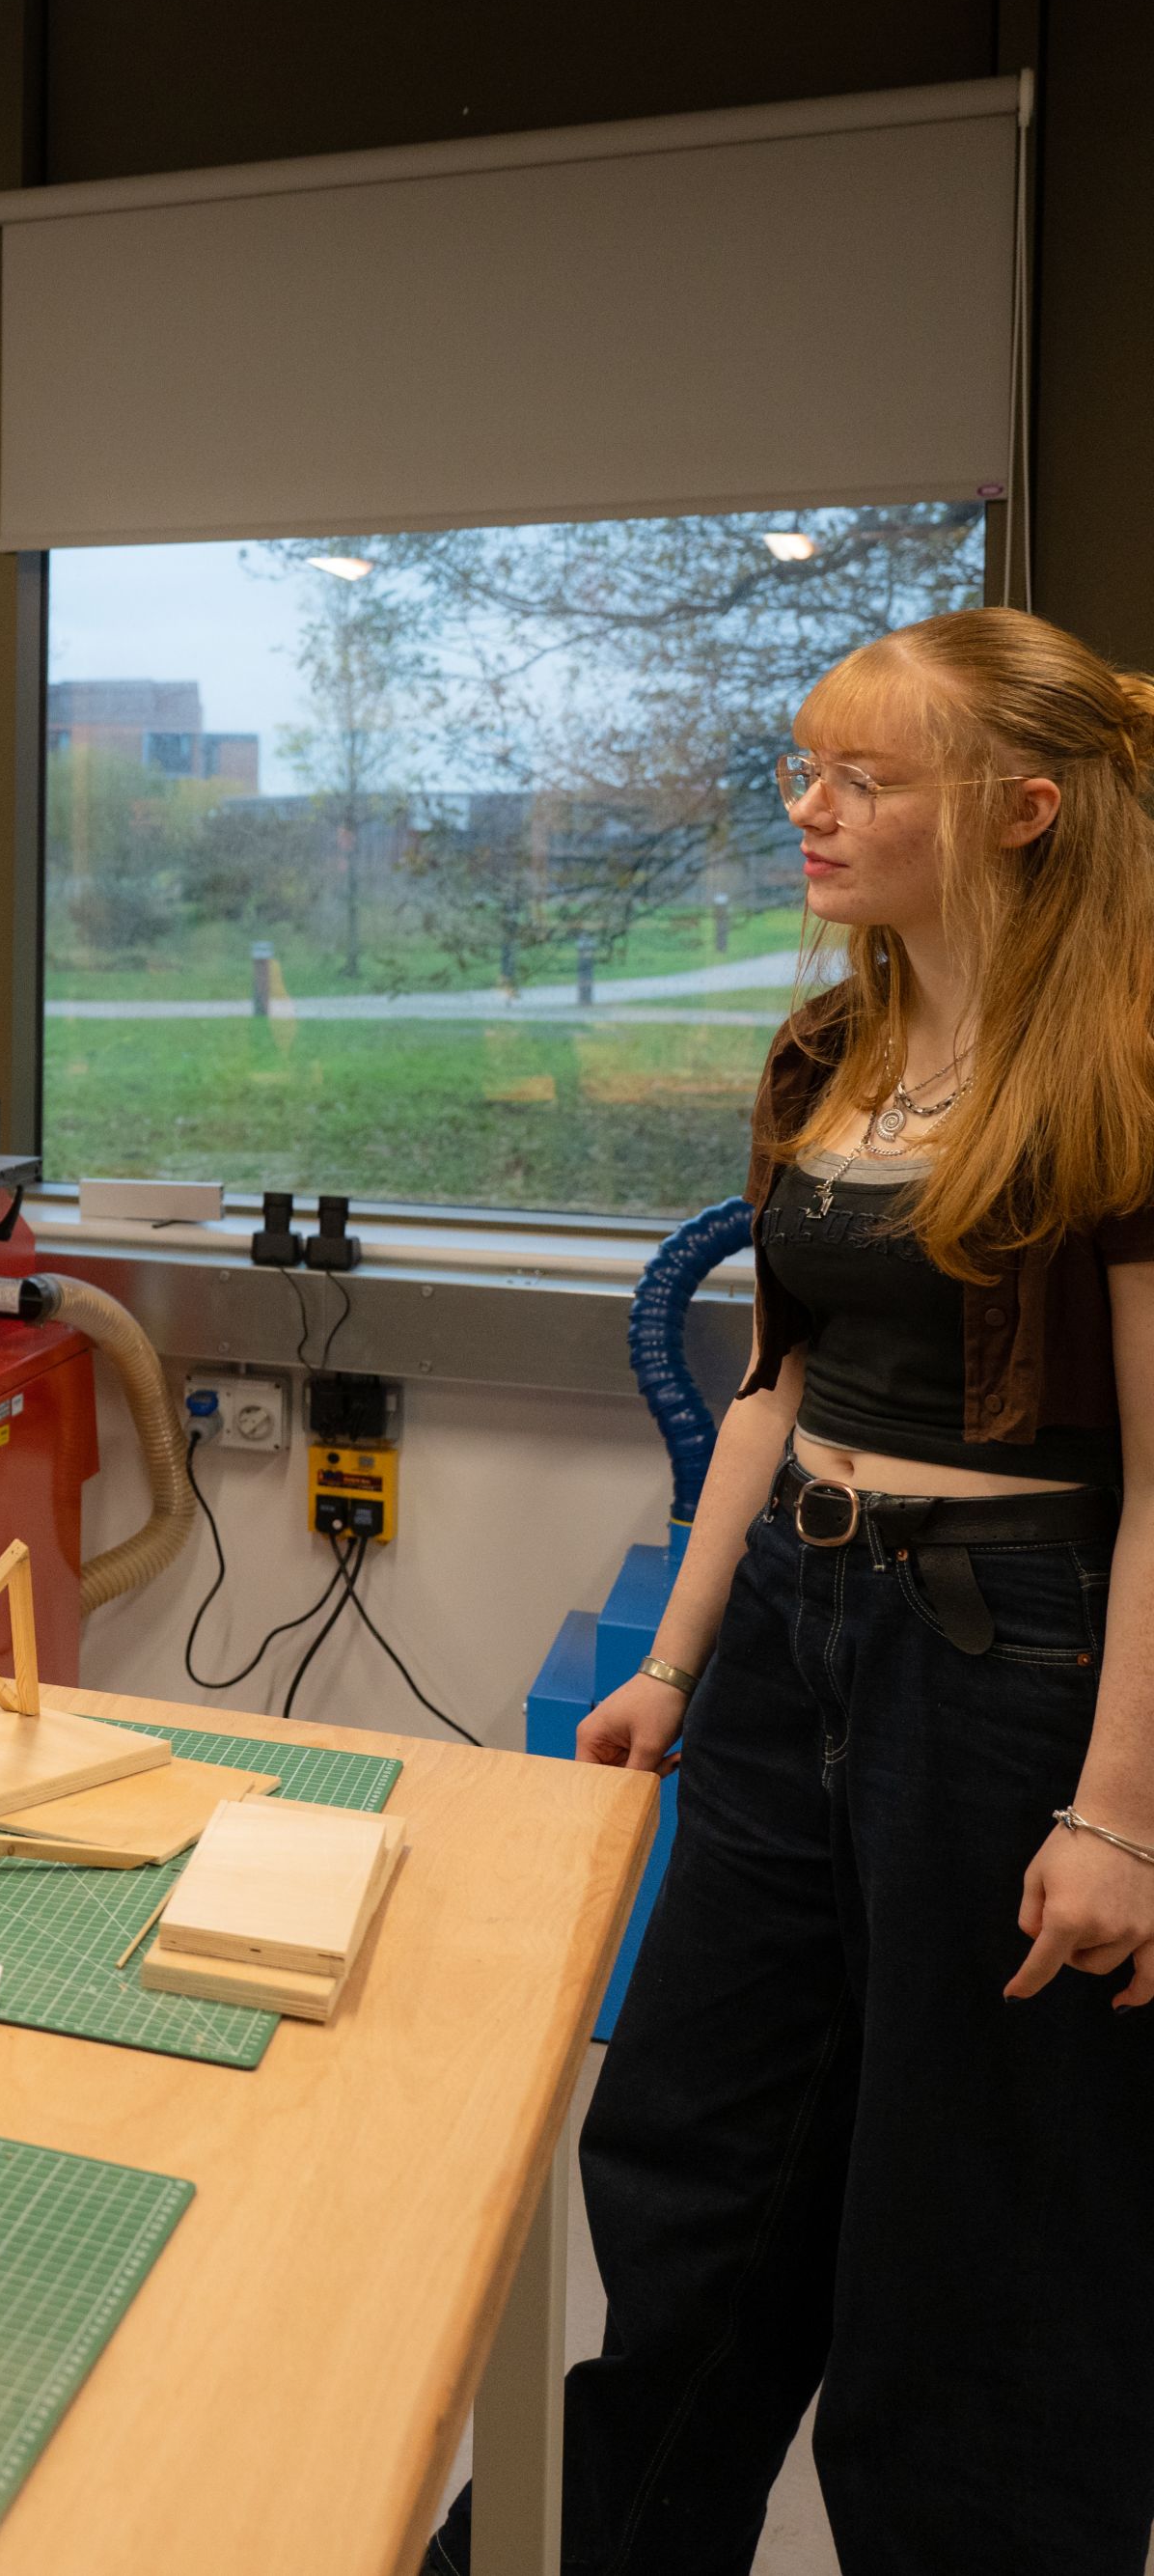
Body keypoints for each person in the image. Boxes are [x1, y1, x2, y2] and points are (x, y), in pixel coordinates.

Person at [426, 608, 1154, 2575]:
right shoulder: (835, 1042)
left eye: (861, 777)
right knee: (687, 2172)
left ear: (1016, 809)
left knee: (972, 2263)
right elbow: (772, 1381)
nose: (805, 811)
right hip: (787, 1658)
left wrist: (1117, 1815)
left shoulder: (1116, 1069)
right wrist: (674, 1657)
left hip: (1011, 1676)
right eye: (797, 769)